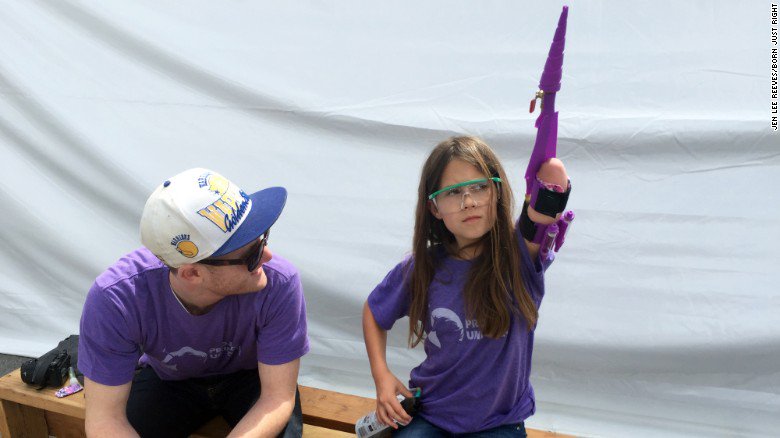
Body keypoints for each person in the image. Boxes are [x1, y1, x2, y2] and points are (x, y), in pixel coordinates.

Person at [362, 136, 571, 436]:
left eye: (480, 187)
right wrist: (381, 375)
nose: (469, 201)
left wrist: (548, 126)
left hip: (498, 424)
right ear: (434, 207)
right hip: (432, 414)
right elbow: (374, 311)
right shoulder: (423, 266)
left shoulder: (520, 257)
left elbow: (551, 183)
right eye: (454, 192)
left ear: (497, 192)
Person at [78, 168, 308, 437]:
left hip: (251, 378)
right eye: (252, 254)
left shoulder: (279, 281)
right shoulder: (116, 299)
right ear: (192, 273)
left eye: (262, 237)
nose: (268, 256)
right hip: (169, 382)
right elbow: (105, 421)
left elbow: (276, 398)